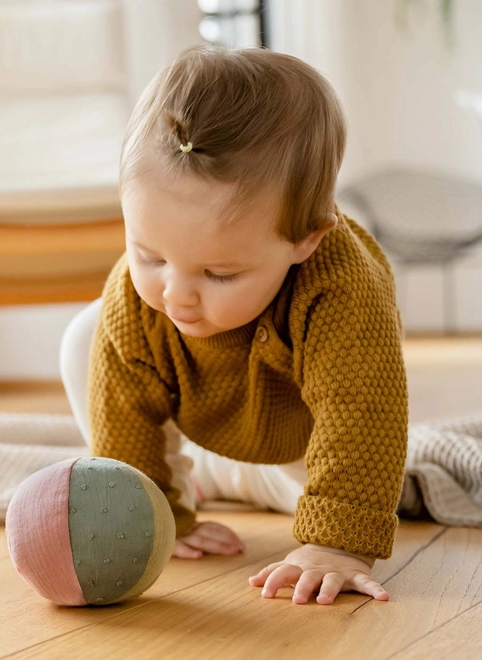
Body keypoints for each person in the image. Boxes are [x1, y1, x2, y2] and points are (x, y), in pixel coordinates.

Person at [60, 45, 408, 606]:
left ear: (306, 239)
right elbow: (122, 413)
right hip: (205, 419)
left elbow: (361, 410)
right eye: (149, 255)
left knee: (364, 469)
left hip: (302, 447)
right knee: (87, 335)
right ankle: (181, 484)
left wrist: (337, 544)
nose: (175, 293)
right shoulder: (137, 297)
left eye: (219, 273)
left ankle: (254, 486)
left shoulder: (342, 289)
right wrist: (155, 516)